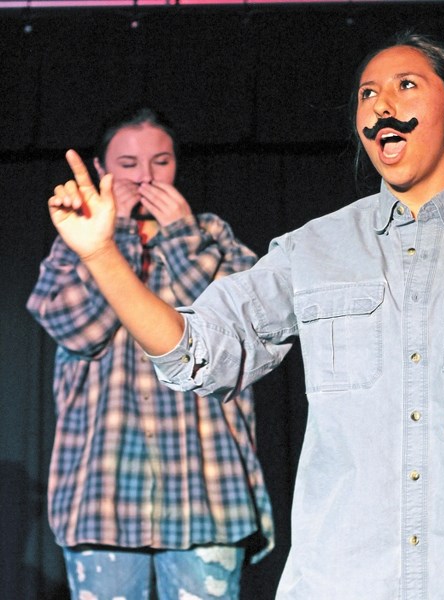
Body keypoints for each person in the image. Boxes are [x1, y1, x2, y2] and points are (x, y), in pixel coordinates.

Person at [45, 33, 444, 598]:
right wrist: (100, 254)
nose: (381, 106)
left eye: (405, 85)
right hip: (346, 580)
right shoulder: (314, 249)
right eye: (367, 94)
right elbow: (198, 354)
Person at [27, 106, 274, 599]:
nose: (144, 177)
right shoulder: (77, 239)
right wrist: (108, 239)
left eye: (160, 162)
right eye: (127, 163)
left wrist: (182, 239)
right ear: (100, 170)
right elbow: (76, 330)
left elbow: (235, 328)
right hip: (103, 492)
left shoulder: (210, 234)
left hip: (207, 493)